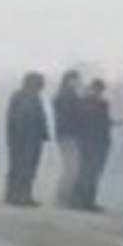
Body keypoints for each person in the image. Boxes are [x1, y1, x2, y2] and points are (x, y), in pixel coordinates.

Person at [4, 72, 49, 207]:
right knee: (19, 167)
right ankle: (14, 195)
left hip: (34, 139)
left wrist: (44, 133)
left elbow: (41, 117)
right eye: (39, 84)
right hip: (21, 139)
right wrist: (13, 137)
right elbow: (13, 119)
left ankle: (25, 195)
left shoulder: (36, 98)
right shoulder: (18, 97)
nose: (41, 87)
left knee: (30, 168)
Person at [73, 78, 114, 211]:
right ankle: (85, 202)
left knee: (88, 172)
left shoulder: (83, 103)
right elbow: (102, 123)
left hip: (91, 142)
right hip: (96, 142)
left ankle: (82, 201)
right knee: (89, 173)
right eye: (98, 89)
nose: (99, 92)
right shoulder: (100, 104)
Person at [51, 69, 84, 208]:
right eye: (76, 79)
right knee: (71, 167)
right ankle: (63, 198)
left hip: (65, 134)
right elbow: (74, 115)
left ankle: (63, 197)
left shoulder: (63, 94)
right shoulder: (68, 95)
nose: (79, 82)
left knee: (70, 167)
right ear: (70, 80)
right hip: (69, 134)